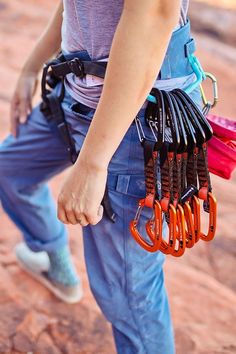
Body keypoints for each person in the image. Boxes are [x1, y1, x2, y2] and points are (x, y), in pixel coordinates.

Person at [0, 0, 201, 352]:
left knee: (128, 295)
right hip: (73, 92)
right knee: (10, 170)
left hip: (139, 118)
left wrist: (93, 164)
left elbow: (154, 13)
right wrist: (33, 65)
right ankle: (53, 260)